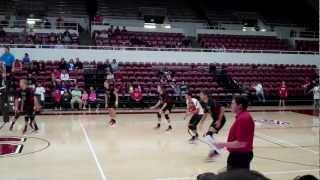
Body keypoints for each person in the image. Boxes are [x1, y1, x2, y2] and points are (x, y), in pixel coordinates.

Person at [213, 96, 255, 171]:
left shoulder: (243, 118)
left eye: (233, 103)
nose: (230, 105)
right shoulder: (241, 117)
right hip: (238, 155)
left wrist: (222, 144)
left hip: (240, 156)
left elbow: (241, 143)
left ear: (240, 106)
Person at [200, 91, 226, 160]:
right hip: (215, 120)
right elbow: (205, 114)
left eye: (201, 95)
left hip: (220, 120)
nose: (200, 96)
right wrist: (201, 123)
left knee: (208, 135)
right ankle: (217, 149)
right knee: (208, 136)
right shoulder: (204, 103)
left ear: (205, 95)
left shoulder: (212, 101)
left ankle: (217, 151)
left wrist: (219, 121)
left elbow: (222, 109)